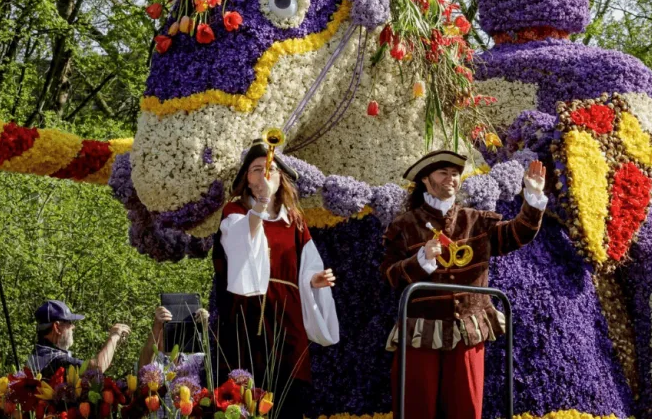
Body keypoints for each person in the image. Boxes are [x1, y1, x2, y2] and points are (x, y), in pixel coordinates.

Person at [380, 150, 547, 419]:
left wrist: (533, 199)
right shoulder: (404, 226)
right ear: (425, 179)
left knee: (466, 408)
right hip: (420, 329)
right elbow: (389, 276)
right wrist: (420, 259)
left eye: (455, 174)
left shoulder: (478, 221)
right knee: (415, 407)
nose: (451, 179)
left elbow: (518, 234)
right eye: (443, 173)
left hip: (469, 328)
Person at [212, 138, 339, 419]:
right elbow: (240, 243)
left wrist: (312, 279)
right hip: (247, 314)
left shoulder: (293, 220)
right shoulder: (235, 211)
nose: (263, 174)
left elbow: (306, 264)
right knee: (245, 389)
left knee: (289, 393)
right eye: (256, 169)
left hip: (287, 316)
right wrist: (261, 202)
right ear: (246, 178)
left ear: (280, 179)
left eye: (269, 169)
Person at [27, 300, 131, 378]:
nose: (73, 327)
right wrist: (114, 337)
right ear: (57, 327)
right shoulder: (54, 359)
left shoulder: (39, 354)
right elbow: (97, 368)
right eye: (70, 323)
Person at [138, 305, 210, 369]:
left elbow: (216, 361)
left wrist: (210, 324)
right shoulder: (155, 363)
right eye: (167, 328)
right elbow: (143, 370)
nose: (170, 334)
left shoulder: (193, 361)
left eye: (175, 330)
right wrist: (156, 326)